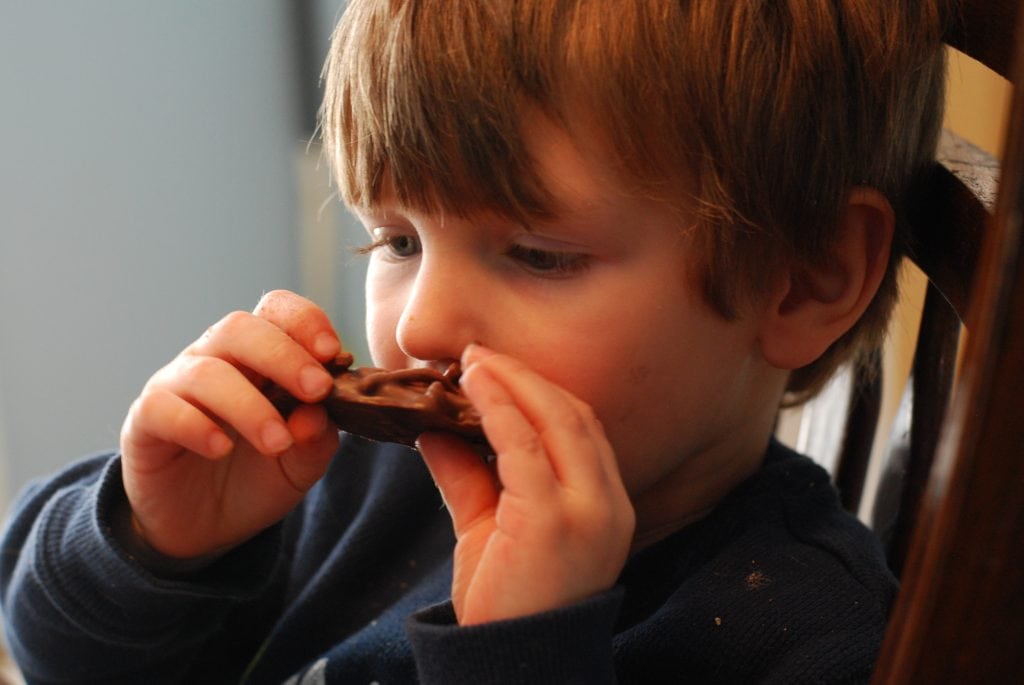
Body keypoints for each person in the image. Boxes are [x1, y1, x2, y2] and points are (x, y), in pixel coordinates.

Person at [0, 1, 949, 682]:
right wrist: (150, 541)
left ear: (807, 275)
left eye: (537, 255)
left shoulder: (812, 639)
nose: (417, 328)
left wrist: (523, 653)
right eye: (397, 239)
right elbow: (59, 654)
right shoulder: (361, 478)